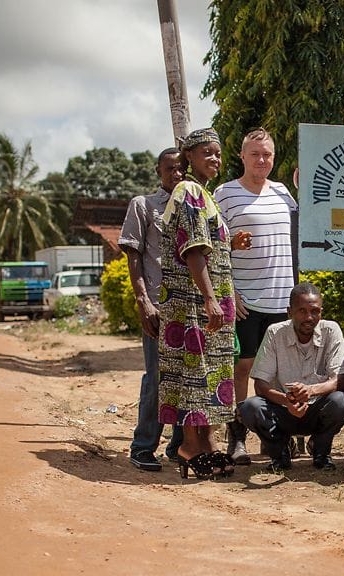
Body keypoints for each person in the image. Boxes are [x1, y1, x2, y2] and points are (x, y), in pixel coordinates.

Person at [156, 128, 238, 479]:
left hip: (208, 298)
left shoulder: (206, 195)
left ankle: (208, 443)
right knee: (194, 372)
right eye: (207, 152)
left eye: (218, 153)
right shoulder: (189, 191)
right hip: (193, 301)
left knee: (210, 372)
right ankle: (190, 445)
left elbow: (211, 245)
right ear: (188, 156)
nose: (215, 159)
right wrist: (209, 299)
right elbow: (193, 249)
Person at [214, 127, 296, 466]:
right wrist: (230, 291)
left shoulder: (284, 193)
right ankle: (237, 438)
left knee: (278, 373)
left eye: (267, 155)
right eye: (255, 154)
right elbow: (212, 245)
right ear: (242, 157)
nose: (262, 160)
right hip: (247, 301)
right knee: (242, 369)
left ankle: (275, 437)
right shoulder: (224, 194)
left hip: (284, 300)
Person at [118, 147, 186, 471]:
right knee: (157, 378)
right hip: (159, 306)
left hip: (190, 309)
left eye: (181, 169)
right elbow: (133, 256)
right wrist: (143, 301)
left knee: (188, 379)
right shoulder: (143, 205)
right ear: (158, 171)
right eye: (170, 169)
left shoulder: (194, 206)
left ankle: (179, 445)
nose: (177, 174)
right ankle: (144, 446)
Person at [239, 283, 344, 471]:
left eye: (315, 311)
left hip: (317, 409)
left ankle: (321, 451)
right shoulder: (275, 332)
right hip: (283, 409)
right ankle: (280, 452)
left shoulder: (331, 330)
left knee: (341, 401)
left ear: (321, 312)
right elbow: (261, 385)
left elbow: (342, 379)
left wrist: (311, 390)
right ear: (289, 312)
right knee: (250, 407)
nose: (309, 317)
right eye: (302, 311)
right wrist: (286, 400)